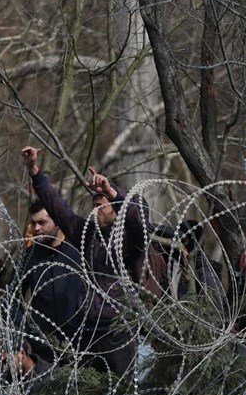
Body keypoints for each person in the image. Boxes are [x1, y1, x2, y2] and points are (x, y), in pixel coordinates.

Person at [20, 146, 148, 375]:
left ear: (116, 212)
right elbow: (58, 209)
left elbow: (138, 220)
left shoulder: (129, 241)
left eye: (101, 206)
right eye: (93, 206)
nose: (94, 211)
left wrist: (113, 192)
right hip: (87, 329)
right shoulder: (87, 235)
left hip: (117, 329)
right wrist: (35, 172)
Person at [11, 200, 88, 364]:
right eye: (33, 223)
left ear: (58, 221)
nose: (36, 228)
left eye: (42, 222)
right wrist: (22, 336)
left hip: (83, 347)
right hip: (46, 350)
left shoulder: (80, 252)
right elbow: (12, 299)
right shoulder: (28, 256)